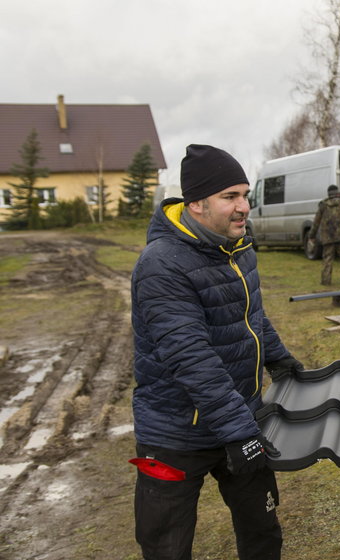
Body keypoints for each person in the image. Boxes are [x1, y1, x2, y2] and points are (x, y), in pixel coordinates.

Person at [130, 144, 303, 560]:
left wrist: (277, 357)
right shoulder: (162, 265)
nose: (244, 207)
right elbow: (191, 358)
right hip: (175, 432)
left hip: (239, 414)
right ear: (197, 204)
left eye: (245, 194)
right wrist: (241, 433)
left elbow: (249, 317)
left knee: (263, 533)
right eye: (230, 197)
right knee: (166, 547)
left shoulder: (238, 248)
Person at [309, 184, 340, 285]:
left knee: (328, 258)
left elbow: (316, 222)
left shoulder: (323, 205)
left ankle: (326, 280)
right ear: (337, 192)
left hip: (328, 236)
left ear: (328, 194)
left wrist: (311, 235)